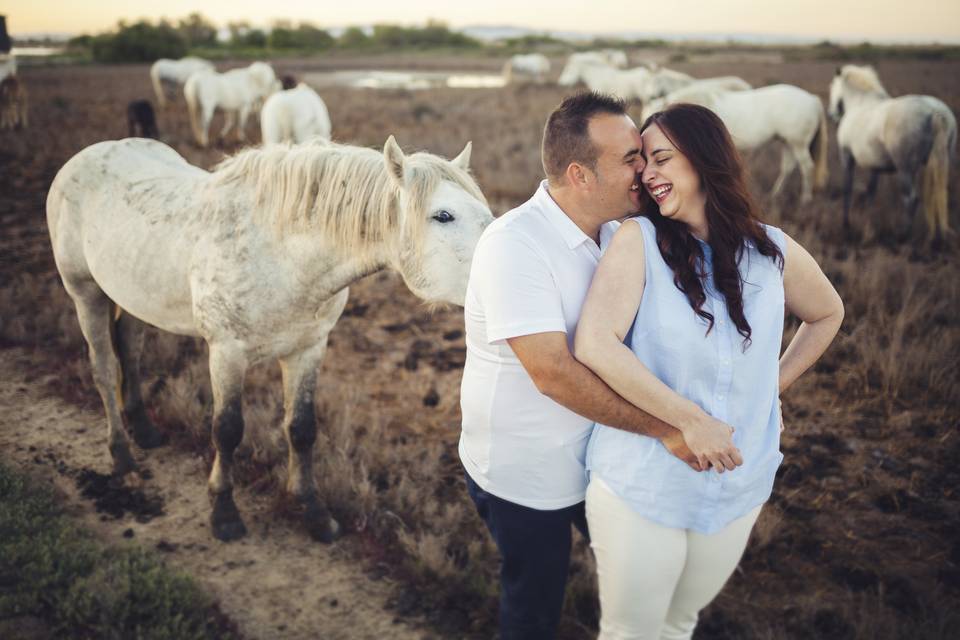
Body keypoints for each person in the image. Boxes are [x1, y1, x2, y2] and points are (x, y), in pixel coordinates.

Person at [574, 103, 845, 639]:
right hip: (644, 484)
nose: (646, 174)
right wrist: (689, 420)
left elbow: (827, 313)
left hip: (737, 485)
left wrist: (768, 389)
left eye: (661, 159)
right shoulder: (639, 242)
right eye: (641, 163)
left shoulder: (772, 251)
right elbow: (596, 343)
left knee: (679, 624)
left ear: (704, 160)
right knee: (631, 632)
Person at [458, 92, 702, 640]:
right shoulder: (514, 245)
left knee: (639, 582)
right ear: (580, 174)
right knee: (535, 605)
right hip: (528, 472)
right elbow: (552, 373)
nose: (644, 170)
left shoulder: (620, 231)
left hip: (605, 456)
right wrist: (668, 428)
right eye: (629, 160)